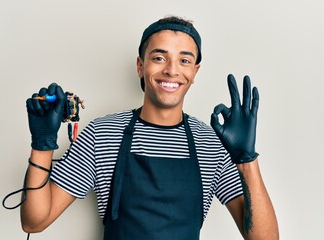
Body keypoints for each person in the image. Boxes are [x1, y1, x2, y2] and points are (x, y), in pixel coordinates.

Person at [22, 16, 279, 239]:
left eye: (184, 61)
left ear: (195, 72)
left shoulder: (210, 143)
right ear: (140, 66)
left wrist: (246, 160)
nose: (171, 70)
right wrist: (43, 143)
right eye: (159, 57)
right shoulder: (102, 134)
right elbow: (34, 221)